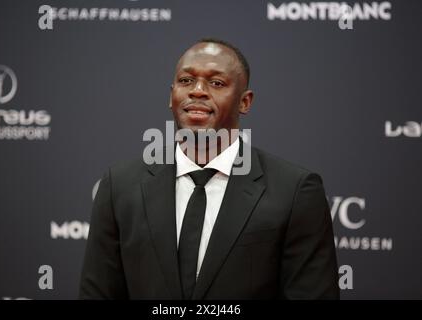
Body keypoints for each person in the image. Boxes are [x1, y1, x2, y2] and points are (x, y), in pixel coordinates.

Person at [79, 38, 339, 300]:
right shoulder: (120, 186)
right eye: (186, 81)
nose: (198, 91)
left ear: (245, 102)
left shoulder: (294, 192)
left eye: (216, 83)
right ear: (172, 96)